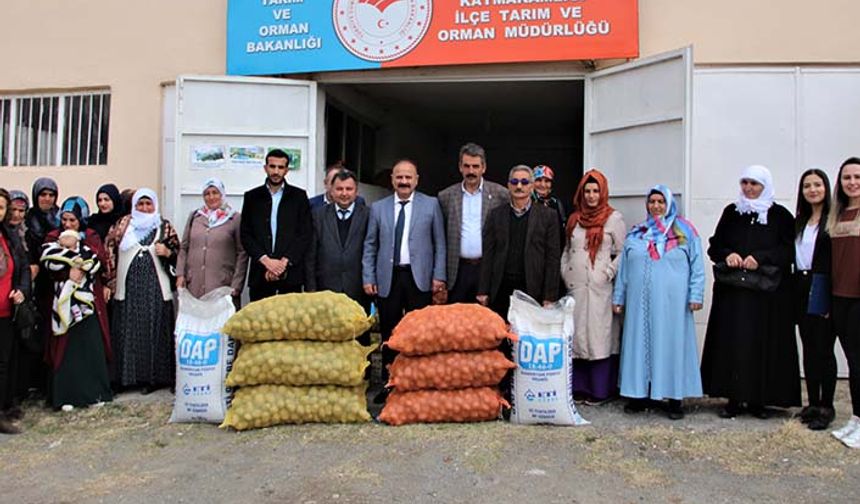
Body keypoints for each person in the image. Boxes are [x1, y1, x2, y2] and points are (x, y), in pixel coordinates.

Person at [701, 165, 800, 419]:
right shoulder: (732, 213)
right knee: (733, 344)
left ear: (765, 186)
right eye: (745, 182)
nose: (749, 188)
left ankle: (760, 399)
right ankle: (733, 398)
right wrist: (728, 254)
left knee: (762, 344)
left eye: (754, 184)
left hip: (766, 296)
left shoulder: (780, 216)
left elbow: (789, 251)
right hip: (734, 294)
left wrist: (761, 258)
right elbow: (715, 246)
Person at [612, 185, 704, 419]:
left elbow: (697, 265)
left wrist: (696, 294)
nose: (656, 206)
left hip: (673, 304)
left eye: (661, 202)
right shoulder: (637, 233)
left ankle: (674, 398)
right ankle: (637, 395)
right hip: (639, 304)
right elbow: (624, 268)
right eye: (652, 201)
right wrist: (618, 296)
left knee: (671, 345)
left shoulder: (685, 231)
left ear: (670, 203)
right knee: (638, 344)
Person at [362, 159, 446, 399]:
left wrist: (439, 275)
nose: (404, 181)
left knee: (419, 333)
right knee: (390, 334)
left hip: (419, 278)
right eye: (399, 177)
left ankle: (418, 383)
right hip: (387, 278)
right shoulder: (378, 208)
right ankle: (391, 383)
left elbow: (440, 243)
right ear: (392, 180)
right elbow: (370, 245)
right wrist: (368, 276)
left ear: (416, 180)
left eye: (408, 177)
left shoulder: (431, 205)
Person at [561, 169, 626, 405]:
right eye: (587, 191)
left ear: (603, 192)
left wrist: (607, 272)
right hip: (577, 287)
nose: (591, 196)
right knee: (578, 337)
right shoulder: (574, 219)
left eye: (595, 191)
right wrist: (565, 273)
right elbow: (567, 251)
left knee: (599, 337)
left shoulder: (613, 219)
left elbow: (622, 253)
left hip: (601, 289)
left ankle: (600, 390)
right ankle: (578, 389)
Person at [40, 197, 112, 409]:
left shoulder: (90, 237)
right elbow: (49, 260)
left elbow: (97, 261)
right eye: (65, 220)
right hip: (63, 303)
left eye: (72, 220)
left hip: (88, 303)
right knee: (66, 349)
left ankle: (94, 394)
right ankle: (66, 396)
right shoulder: (53, 237)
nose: (68, 225)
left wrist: (78, 260)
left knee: (89, 348)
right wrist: (68, 268)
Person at [106, 188, 179, 394]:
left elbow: (178, 253)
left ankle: (153, 379)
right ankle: (126, 378)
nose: (144, 208)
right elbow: (109, 251)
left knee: (153, 330)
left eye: (148, 204)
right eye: (140, 204)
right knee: (127, 330)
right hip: (128, 289)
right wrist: (109, 281)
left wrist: (168, 252)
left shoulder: (164, 227)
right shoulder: (122, 226)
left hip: (155, 288)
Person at [477, 165, 561, 317]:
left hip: (533, 288)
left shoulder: (548, 216)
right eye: (514, 182)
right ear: (508, 185)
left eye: (524, 182)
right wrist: (483, 290)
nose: (519, 186)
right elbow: (488, 254)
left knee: (528, 338)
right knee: (501, 336)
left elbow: (553, 258)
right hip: (501, 287)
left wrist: (550, 296)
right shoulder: (496, 215)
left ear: (532, 186)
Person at [791, 169, 836, 431]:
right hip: (800, 283)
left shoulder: (832, 221)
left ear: (826, 188)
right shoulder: (800, 221)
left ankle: (826, 406)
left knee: (823, 348)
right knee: (808, 346)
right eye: (807, 185)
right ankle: (813, 401)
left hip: (821, 284)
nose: (812, 190)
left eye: (817, 185)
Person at [438, 142, 508, 304]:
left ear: (483, 168)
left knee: (485, 321)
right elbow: (440, 239)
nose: (471, 171)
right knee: (456, 322)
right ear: (460, 167)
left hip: (487, 268)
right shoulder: (446, 197)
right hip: (457, 270)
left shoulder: (500, 195)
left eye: (475, 166)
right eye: (467, 166)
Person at [240, 149, 312, 301]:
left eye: (280, 167)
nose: (276, 171)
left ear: (286, 170)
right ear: (265, 168)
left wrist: (283, 263)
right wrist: (267, 261)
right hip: (260, 273)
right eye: (272, 167)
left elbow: (305, 233)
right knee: (260, 322)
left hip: (291, 274)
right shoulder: (252, 197)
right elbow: (246, 234)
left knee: (290, 322)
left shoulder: (299, 197)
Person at [828, 157, 860, 448]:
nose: (852, 183)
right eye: (847, 178)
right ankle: (856, 419)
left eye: (857, 177)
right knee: (852, 362)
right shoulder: (837, 214)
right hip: (840, 297)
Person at [176, 178, 248, 308]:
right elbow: (184, 247)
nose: (211, 197)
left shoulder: (234, 218)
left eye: (215, 192)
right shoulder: (195, 217)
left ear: (222, 194)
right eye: (207, 194)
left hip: (222, 285)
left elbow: (242, 253)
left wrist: (236, 285)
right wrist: (180, 274)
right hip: (195, 285)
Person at [306, 169, 370, 309]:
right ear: (331, 190)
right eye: (339, 189)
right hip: (326, 290)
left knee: (357, 329)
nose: (344, 193)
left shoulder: (368, 216)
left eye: (349, 189)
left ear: (356, 191)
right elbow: (311, 255)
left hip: (358, 288)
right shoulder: (318, 216)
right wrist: (311, 288)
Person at [0, 189, 30, 434]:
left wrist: (21, 290)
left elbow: (22, 269)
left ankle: (4, 408)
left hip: (7, 311)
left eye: (1, 208)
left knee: (5, 362)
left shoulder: (9, 236)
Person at [532, 165, 567, 247]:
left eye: (547, 181)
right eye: (538, 180)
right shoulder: (526, 203)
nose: (543, 185)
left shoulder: (557, 204)